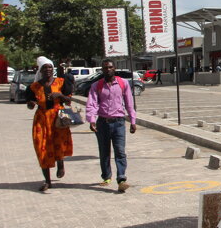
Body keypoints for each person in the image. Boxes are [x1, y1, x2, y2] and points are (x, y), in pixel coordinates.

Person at [84, 58, 137, 193]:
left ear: (114, 68)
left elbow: (129, 103)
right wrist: (91, 120)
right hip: (103, 123)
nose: (108, 70)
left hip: (119, 122)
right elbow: (92, 103)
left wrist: (132, 121)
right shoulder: (97, 85)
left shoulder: (122, 83)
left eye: (110, 67)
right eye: (105, 68)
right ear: (102, 70)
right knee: (104, 151)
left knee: (120, 151)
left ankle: (121, 179)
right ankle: (106, 176)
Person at [25, 56, 73, 192]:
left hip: (58, 118)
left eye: (50, 68)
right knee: (42, 147)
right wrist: (31, 104)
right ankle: (47, 181)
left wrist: (59, 95)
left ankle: (61, 164)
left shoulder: (61, 82)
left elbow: (68, 100)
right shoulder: (34, 87)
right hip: (42, 119)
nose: (47, 70)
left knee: (59, 143)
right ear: (40, 70)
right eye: (44, 68)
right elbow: (29, 104)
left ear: (53, 70)